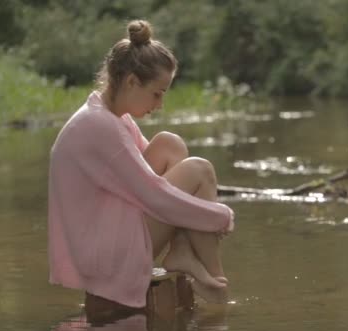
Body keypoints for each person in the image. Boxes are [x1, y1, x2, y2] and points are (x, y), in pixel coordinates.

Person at [47, 19, 235, 310]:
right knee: (200, 171)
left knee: (170, 144)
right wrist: (218, 215)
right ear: (132, 81)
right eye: (157, 93)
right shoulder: (99, 126)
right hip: (104, 259)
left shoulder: (111, 116)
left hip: (109, 234)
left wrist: (206, 214)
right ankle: (218, 281)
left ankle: (183, 252)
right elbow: (155, 195)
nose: (159, 104)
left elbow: (160, 177)